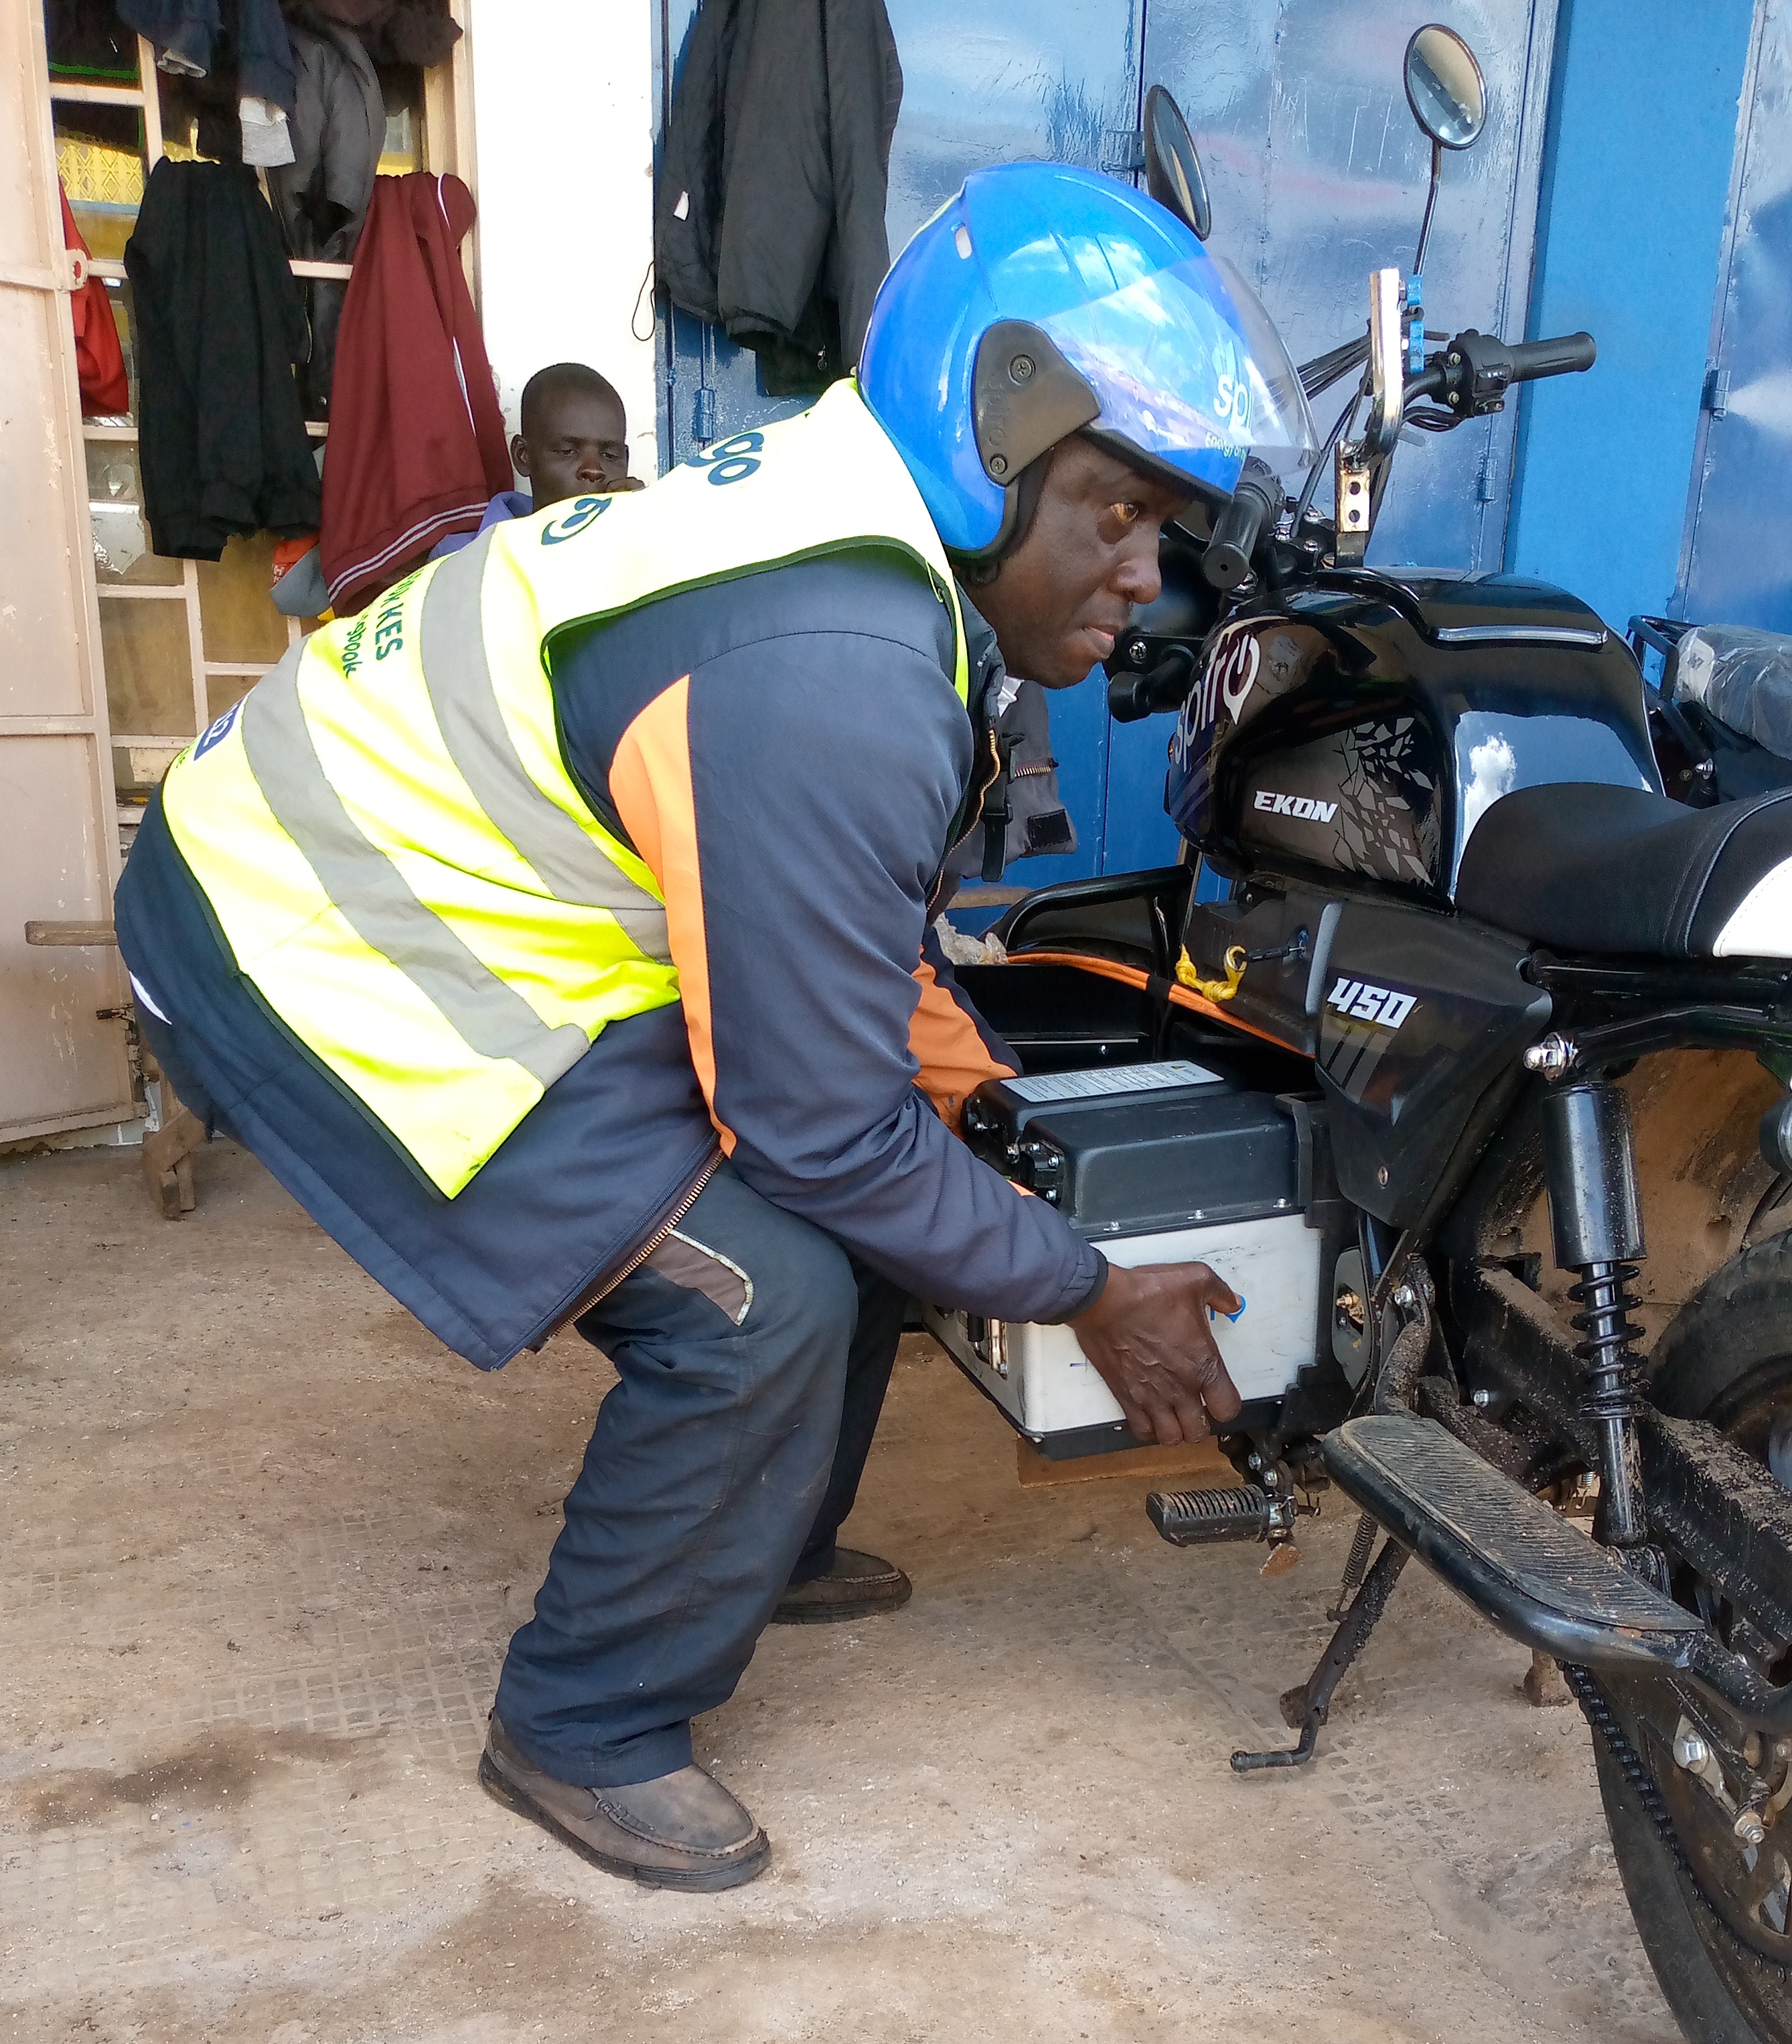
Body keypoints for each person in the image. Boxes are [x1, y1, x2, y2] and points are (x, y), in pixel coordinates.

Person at [113, 160, 1266, 1895]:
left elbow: (849, 977)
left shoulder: (867, 544)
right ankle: (584, 1719)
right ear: (997, 433)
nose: (1142, 575)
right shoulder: (842, 656)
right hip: (293, 930)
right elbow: (814, 1128)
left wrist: (978, 1100)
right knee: (762, 1282)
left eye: (1164, 528)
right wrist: (1088, 1285)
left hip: (432, 876)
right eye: (1118, 512)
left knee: (882, 1175)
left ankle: (764, 1539)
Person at [429, 361, 640, 557]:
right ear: (523, 456)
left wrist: (649, 529)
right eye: (567, 451)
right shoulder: (459, 558)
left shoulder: (645, 540)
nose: (594, 470)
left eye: (610, 455)